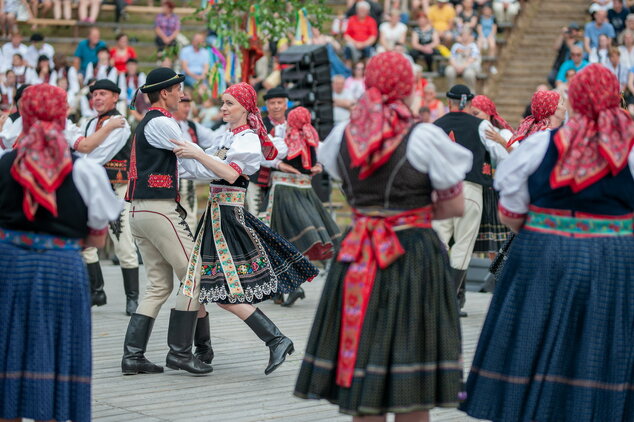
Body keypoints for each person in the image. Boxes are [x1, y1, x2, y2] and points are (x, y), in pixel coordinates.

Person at [294, 51, 472, 420]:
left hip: (358, 250)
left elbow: (347, 185)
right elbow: (455, 207)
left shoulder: (343, 134)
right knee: (412, 380)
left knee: (364, 373)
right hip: (412, 252)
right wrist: (410, 213)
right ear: (406, 87)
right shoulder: (422, 136)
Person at [461, 63, 634, 422]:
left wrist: (549, 227)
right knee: (601, 348)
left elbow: (509, 211)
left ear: (575, 101)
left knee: (533, 342)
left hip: (544, 255)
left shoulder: (540, 145)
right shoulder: (630, 151)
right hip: (614, 260)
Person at [170, 82, 318, 375]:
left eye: (229, 104)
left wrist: (197, 153)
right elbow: (206, 170)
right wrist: (175, 162)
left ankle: (274, 339)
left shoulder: (248, 140)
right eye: (223, 103)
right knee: (199, 283)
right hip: (215, 215)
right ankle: (202, 350)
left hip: (228, 218)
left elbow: (228, 173)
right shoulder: (227, 137)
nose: (223, 108)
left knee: (222, 289)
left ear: (245, 108)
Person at [0, 84, 121, 422]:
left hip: (9, 265)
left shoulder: (5, 164)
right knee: (56, 348)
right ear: (61, 115)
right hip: (61, 266)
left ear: (24, 116)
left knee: (7, 349)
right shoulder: (85, 170)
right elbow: (97, 240)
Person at [120, 67, 215, 376]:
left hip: (139, 209)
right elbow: (192, 157)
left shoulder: (150, 123)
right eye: (178, 90)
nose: (181, 94)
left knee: (159, 286)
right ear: (164, 92)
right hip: (158, 209)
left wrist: (215, 163)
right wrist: (225, 167)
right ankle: (180, 352)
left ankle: (133, 356)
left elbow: (184, 166)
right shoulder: (162, 121)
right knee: (194, 275)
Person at [433, 84, 508, 317]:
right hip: (471, 189)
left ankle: (434, 296)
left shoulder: (435, 127)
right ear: (468, 103)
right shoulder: (481, 125)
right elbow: (501, 156)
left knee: (439, 244)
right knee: (463, 247)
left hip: (442, 190)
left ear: (449, 102)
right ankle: (449, 301)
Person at [262, 106, 341, 307]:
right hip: (305, 191)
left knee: (277, 238)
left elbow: (266, 154)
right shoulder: (311, 139)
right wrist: (318, 166)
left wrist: (279, 165)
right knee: (294, 238)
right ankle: (280, 289)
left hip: (284, 191)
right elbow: (327, 156)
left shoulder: (286, 141)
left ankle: (289, 286)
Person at [75, 79, 140, 317]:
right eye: (94, 95)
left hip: (116, 188)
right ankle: (97, 291)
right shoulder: (89, 122)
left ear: (115, 97)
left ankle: (132, 298)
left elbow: (98, 155)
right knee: (86, 244)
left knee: (123, 242)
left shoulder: (120, 123)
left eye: (103, 94)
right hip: (92, 187)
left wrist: (80, 157)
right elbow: (81, 150)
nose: (98, 98)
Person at [470, 94, 513, 257]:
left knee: (502, 242)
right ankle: (492, 277)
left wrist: (500, 140)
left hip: (500, 192)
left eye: (476, 114)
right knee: (489, 245)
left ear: (488, 114)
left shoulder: (505, 134)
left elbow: (514, 158)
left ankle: (499, 277)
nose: (473, 118)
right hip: (482, 190)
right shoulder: (472, 134)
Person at [173, 94, 217, 231]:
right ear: (176, 105)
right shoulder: (167, 124)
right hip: (173, 177)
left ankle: (190, 249)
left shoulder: (191, 125)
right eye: (185, 106)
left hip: (189, 177)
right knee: (174, 217)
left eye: (189, 106)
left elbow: (213, 138)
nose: (188, 109)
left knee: (190, 217)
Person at [246, 86, 288, 216]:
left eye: (279, 102)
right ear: (267, 106)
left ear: (286, 105)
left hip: (285, 181)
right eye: (272, 103)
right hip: (258, 179)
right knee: (258, 215)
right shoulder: (259, 125)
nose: (276, 106)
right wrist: (279, 164)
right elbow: (257, 151)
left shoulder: (292, 125)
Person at [445, 28, 481, 93]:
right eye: (463, 35)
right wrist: (456, 66)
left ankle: (471, 93)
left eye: (466, 35)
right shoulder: (456, 46)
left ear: (470, 36)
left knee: (469, 74)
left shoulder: (474, 46)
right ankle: (451, 91)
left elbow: (472, 59)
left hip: (470, 67)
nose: (464, 36)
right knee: (449, 70)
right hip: (457, 66)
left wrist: (462, 67)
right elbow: (451, 58)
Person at [343, 1, 378, 67]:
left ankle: (367, 72)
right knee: (347, 48)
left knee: (368, 49)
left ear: (368, 11)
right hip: (353, 44)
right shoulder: (351, 19)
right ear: (357, 10)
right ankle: (348, 72)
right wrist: (355, 43)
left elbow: (373, 37)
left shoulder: (371, 21)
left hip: (366, 44)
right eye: (360, 10)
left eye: (364, 10)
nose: (362, 12)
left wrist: (363, 44)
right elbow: (346, 35)